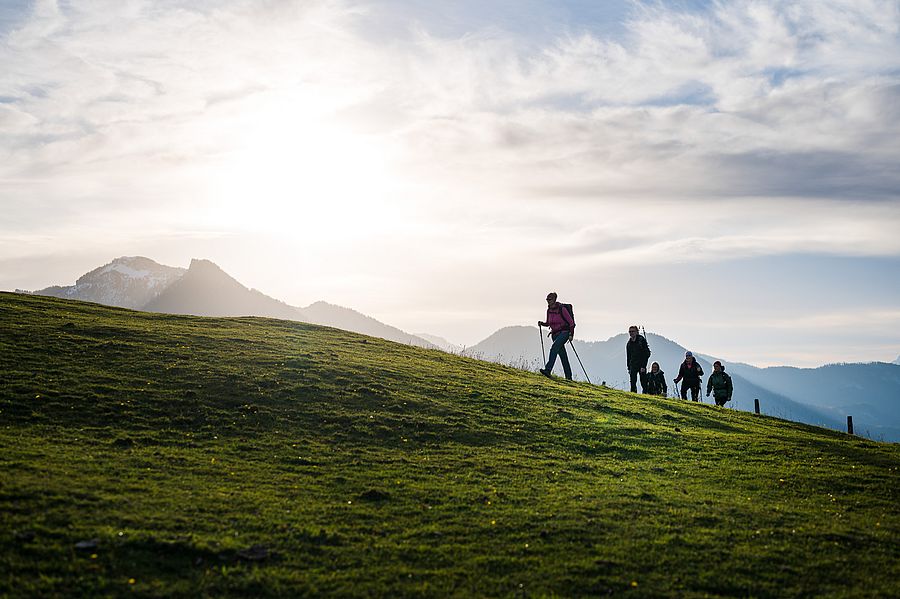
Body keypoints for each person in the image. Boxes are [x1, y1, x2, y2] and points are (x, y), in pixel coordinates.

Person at [538, 292, 574, 380]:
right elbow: (548, 323)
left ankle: (548, 370)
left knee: (554, 348)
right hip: (554, 335)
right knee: (563, 356)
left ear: (554, 299)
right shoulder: (549, 310)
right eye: (547, 299)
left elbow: (571, 323)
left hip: (564, 333)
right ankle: (569, 377)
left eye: (549, 299)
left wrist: (571, 334)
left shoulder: (562, 309)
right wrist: (542, 323)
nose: (547, 301)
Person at [626, 325, 651, 393]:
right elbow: (628, 356)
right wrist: (628, 367)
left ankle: (645, 394)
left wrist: (643, 366)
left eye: (633, 331)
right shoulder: (629, 343)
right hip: (633, 364)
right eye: (630, 332)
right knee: (633, 382)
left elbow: (646, 354)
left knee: (643, 381)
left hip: (641, 364)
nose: (631, 333)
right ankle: (633, 394)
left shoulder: (641, 340)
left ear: (637, 332)